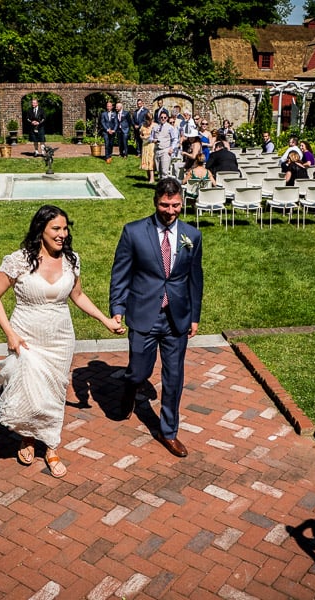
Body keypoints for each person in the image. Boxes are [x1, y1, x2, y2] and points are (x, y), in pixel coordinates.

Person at [0, 205, 125, 478]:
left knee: (54, 394)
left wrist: (106, 321)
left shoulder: (71, 260)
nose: (62, 234)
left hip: (60, 339)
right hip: (26, 336)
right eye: (56, 229)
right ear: (41, 230)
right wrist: (10, 334)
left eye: (65, 228)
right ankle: (27, 437)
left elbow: (78, 296)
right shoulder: (19, 261)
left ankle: (50, 446)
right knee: (29, 392)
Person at [109, 178, 204, 458]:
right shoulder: (134, 232)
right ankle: (130, 388)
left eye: (175, 205)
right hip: (143, 313)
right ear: (155, 202)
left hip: (177, 317)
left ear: (182, 203)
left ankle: (168, 431)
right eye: (165, 204)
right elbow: (120, 274)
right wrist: (117, 307)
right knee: (139, 371)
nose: (170, 210)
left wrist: (194, 316)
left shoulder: (192, 236)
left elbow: (195, 279)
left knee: (174, 377)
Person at [152, 112, 177, 180]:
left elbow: (175, 139)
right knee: (158, 171)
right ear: (159, 118)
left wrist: (172, 148)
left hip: (165, 150)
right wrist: (153, 140)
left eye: (164, 117)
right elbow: (151, 137)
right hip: (157, 150)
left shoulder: (170, 127)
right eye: (161, 117)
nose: (163, 119)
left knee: (164, 171)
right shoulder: (155, 127)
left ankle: (165, 188)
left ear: (167, 118)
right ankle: (161, 186)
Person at [139, 114, 155, 183]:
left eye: (150, 120)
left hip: (152, 145)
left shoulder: (155, 126)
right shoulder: (143, 125)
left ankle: (152, 178)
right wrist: (142, 137)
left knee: (150, 160)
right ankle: (148, 176)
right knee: (146, 159)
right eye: (148, 120)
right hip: (145, 145)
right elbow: (140, 134)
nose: (149, 122)